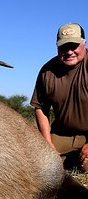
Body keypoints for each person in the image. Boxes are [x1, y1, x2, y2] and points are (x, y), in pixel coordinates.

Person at [31, 23, 88, 172]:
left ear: (84, 44)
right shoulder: (47, 71)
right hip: (62, 133)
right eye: (64, 47)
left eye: (74, 46)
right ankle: (71, 159)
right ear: (57, 47)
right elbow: (40, 107)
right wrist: (47, 143)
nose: (69, 52)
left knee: (86, 166)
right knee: (37, 161)